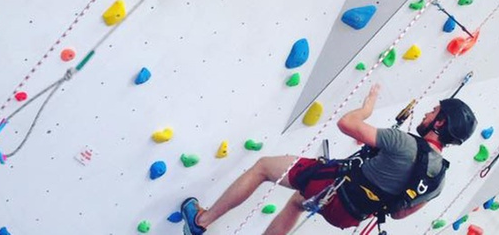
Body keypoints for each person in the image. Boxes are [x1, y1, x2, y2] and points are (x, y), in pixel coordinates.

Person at [179, 84, 477, 235]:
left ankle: (200, 221)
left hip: (332, 188)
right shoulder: (439, 180)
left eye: (434, 112)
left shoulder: (404, 142)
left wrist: (367, 108)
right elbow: (399, 214)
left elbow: (347, 123)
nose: (427, 114)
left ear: (440, 124)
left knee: (263, 168)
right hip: (348, 216)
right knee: (297, 202)